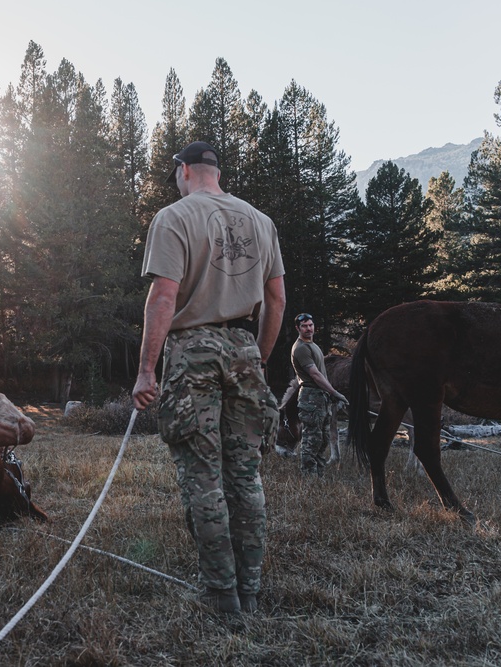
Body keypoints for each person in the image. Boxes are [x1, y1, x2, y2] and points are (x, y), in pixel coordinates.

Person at [132, 141, 286, 615]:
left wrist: (145, 371)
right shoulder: (261, 222)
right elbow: (276, 301)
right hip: (243, 346)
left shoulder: (175, 217)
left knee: (204, 479)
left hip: (193, 350)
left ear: (183, 171)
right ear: (216, 172)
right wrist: (256, 358)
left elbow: (163, 298)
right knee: (245, 476)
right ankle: (251, 591)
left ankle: (221, 596)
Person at [290, 313, 347, 475]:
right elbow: (315, 374)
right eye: (304, 326)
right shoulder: (301, 348)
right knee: (312, 438)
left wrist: (329, 394)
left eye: (310, 325)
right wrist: (334, 392)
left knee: (323, 438)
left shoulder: (312, 345)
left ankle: (318, 472)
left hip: (321, 396)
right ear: (298, 328)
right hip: (310, 396)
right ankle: (309, 475)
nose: (308, 329)